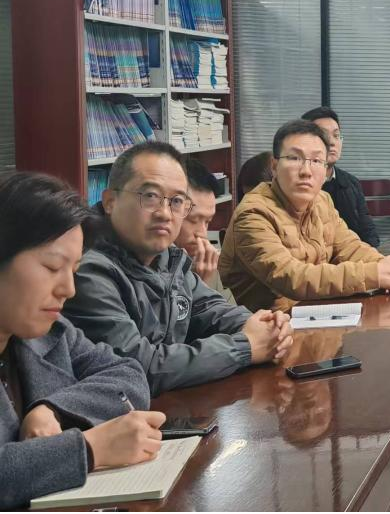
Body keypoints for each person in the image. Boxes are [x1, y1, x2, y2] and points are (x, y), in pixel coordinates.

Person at [62, 142, 294, 397]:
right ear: (110, 201)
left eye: (176, 201)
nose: (165, 213)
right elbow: (138, 367)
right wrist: (245, 346)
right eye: (150, 196)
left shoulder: (168, 257)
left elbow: (212, 310)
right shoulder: (87, 270)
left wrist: (266, 327)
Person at [0, 172, 165, 509]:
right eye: (52, 267)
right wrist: (89, 449)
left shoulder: (51, 333)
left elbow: (128, 373)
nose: (69, 289)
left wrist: (54, 410)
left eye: (73, 270)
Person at [220, 120, 390, 311]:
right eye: (294, 158)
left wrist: (386, 266)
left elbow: (349, 247)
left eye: (316, 161)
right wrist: (374, 274)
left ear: (325, 170)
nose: (306, 171)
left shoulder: (322, 201)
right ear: (274, 166)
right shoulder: (252, 214)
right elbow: (292, 277)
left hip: (315, 313)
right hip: (272, 325)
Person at [301, 106, 381, 246]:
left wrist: (374, 256)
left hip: (356, 256)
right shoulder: (299, 184)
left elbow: (368, 231)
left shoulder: (351, 183)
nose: (332, 142)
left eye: (336, 135)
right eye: (323, 135)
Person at [175, 157, 223, 286]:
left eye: (207, 222)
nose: (202, 233)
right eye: (193, 220)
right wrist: (198, 284)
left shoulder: (207, 264)